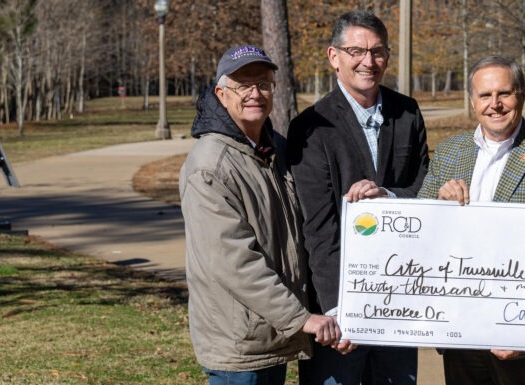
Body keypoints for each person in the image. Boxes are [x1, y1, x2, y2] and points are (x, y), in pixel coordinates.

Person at [180, 45, 352, 385]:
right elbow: (233, 261)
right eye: (243, 85)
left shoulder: (276, 149)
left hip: (272, 332)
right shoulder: (210, 166)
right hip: (239, 343)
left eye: (263, 84)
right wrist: (301, 319)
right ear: (221, 93)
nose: (255, 94)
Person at [282, 10, 429, 385]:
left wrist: (389, 195)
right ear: (334, 57)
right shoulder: (311, 127)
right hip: (339, 307)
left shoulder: (407, 113)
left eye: (378, 51)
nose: (369, 61)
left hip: (399, 298)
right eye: (357, 51)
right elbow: (318, 227)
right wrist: (337, 311)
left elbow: (425, 188)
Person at [418, 55, 525, 385]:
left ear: (521, 95)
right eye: (485, 95)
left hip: (518, 336)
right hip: (460, 327)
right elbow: (419, 228)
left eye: (504, 93)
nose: (495, 104)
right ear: (472, 101)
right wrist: (439, 204)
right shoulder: (449, 152)